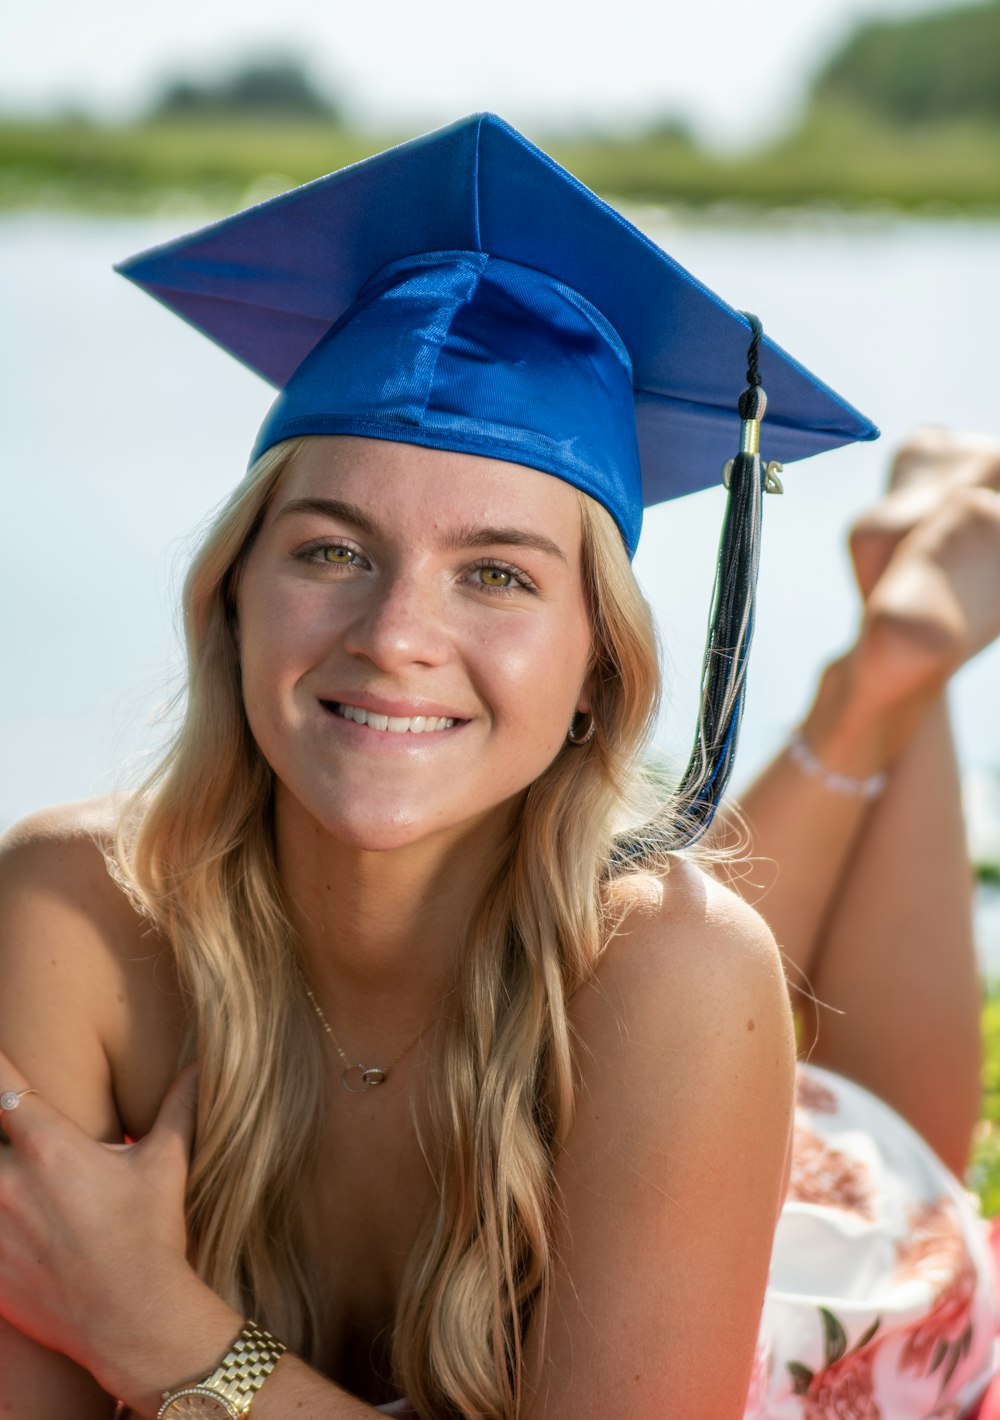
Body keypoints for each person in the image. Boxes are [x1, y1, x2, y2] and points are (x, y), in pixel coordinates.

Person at [0, 113, 995, 1420]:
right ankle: (886, 667)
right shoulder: (72, 907)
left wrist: (161, 1328)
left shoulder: (683, 970)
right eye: (331, 552)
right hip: (639, 1046)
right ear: (233, 596)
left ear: (598, 669)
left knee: (858, 1102)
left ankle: (891, 674)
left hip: (821, 1306)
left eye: (497, 574)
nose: (398, 636)